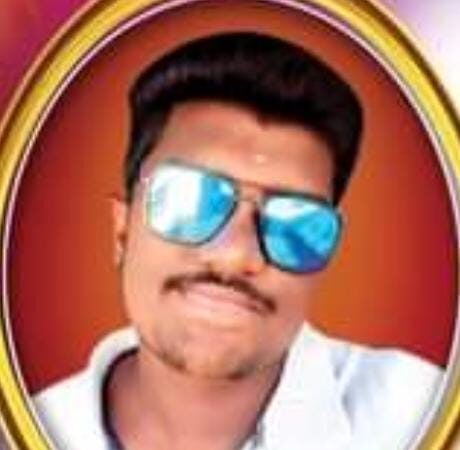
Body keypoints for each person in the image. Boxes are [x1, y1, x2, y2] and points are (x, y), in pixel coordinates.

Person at [34, 32, 442, 450]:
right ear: (122, 230)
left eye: (295, 223)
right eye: (192, 199)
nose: (234, 255)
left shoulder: (423, 412)